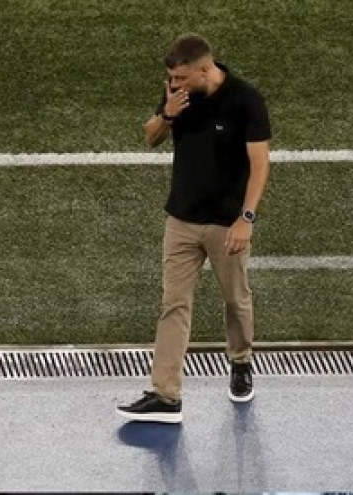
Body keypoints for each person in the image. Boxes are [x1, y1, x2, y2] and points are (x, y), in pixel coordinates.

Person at [117, 33, 272, 423]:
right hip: (181, 221)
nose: (175, 85)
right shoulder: (178, 94)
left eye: (182, 79)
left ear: (206, 70)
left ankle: (240, 362)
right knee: (173, 304)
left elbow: (260, 165)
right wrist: (168, 112)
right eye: (172, 79)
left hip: (226, 225)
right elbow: (152, 137)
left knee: (236, 299)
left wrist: (246, 219)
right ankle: (166, 396)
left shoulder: (246, 100)